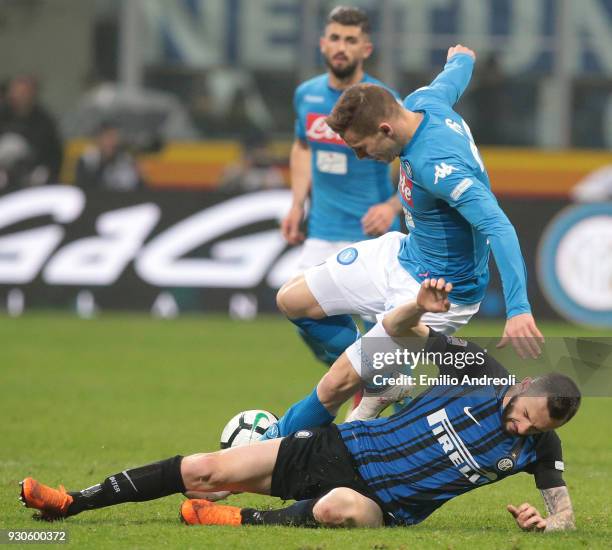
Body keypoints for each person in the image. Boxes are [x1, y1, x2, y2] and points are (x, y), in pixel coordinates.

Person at [19, 280, 580, 531]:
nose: (519, 426)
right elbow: (402, 333)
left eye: (532, 427)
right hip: (339, 447)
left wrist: (543, 524)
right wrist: (416, 306)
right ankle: (70, 504)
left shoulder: (539, 446)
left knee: (339, 508)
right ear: (524, 384)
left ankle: (232, 518)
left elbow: (565, 513)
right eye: (523, 413)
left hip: (378, 503)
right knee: (204, 468)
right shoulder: (480, 374)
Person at [270, 44, 544, 429]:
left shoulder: (439, 166)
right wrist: (460, 58)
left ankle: (266, 447)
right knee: (292, 299)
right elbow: (452, 80)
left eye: (361, 148)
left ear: (385, 129)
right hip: (402, 253)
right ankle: (386, 380)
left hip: (435, 293)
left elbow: (498, 225)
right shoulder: (422, 102)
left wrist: (518, 309)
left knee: (336, 386)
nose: (362, 158)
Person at [281, 5, 402, 368]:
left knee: (390, 341)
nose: (341, 47)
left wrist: (393, 206)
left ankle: (395, 409)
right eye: (335, 38)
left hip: (373, 236)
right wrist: (296, 203)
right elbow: (303, 145)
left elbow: (409, 158)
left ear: (366, 49)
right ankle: (359, 375)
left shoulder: (382, 99)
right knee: (300, 313)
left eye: (351, 40)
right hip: (321, 231)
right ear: (322, 44)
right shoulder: (307, 95)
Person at [0, 75, 63, 189]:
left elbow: (53, 156)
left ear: (33, 94)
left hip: (33, 176)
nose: (19, 96)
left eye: (24, 92)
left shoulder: (45, 121)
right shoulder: (2, 116)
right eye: (16, 91)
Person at [74, 122, 143, 191]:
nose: (112, 141)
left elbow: (137, 186)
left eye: (115, 137)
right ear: (98, 138)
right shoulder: (87, 160)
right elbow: (83, 187)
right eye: (108, 136)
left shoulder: (126, 160)